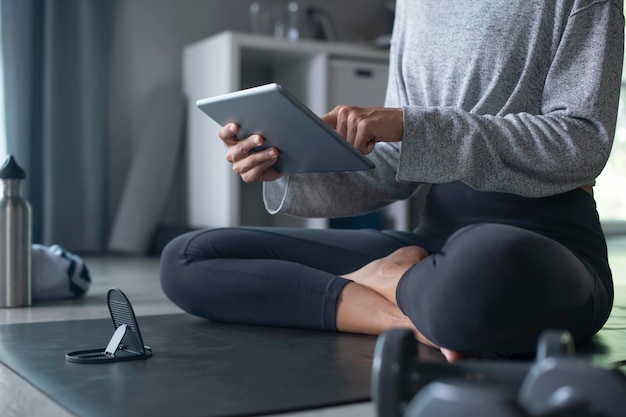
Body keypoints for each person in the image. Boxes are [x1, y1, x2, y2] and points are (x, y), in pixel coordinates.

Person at [161, 0, 624, 361]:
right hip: (435, 246)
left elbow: (582, 143)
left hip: (540, 244)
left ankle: (403, 285)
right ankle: (402, 309)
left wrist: (413, 125)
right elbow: (396, 167)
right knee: (189, 257)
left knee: (483, 267)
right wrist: (291, 165)